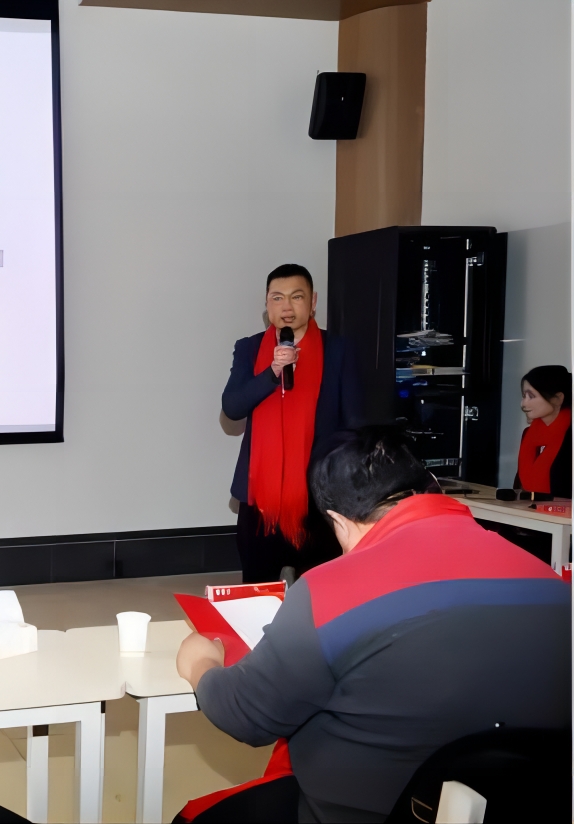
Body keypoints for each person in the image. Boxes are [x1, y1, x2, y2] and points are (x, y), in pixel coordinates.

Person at [174, 426, 571, 823]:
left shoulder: (327, 590)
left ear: (338, 520)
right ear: (431, 486)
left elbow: (247, 715)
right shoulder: (551, 584)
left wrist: (200, 664)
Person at [222, 264, 362, 583]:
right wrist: (272, 372)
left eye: (297, 297)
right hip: (260, 501)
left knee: (321, 595)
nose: (287, 307)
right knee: (257, 592)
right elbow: (232, 407)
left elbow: (354, 423)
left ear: (313, 303)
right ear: (267, 304)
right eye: (277, 298)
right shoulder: (249, 348)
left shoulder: (337, 349)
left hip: (319, 499)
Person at [515, 364, 571, 498]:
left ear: (558, 399)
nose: (523, 404)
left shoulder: (570, 436)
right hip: (526, 508)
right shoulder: (528, 434)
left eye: (531, 396)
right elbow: (519, 485)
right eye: (523, 396)